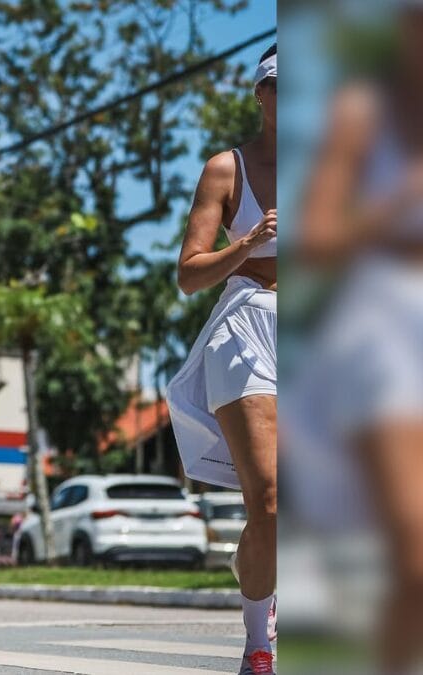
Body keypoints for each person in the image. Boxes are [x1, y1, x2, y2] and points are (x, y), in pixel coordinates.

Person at [290, 8, 423, 670]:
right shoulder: (362, 112)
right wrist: (400, 198)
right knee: (416, 555)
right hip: (384, 328)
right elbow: (314, 243)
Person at [167, 44, 277, 675]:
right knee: (268, 501)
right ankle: (259, 644)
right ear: (260, 95)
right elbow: (188, 274)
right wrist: (250, 243)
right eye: (279, 87)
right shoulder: (226, 169)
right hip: (247, 326)